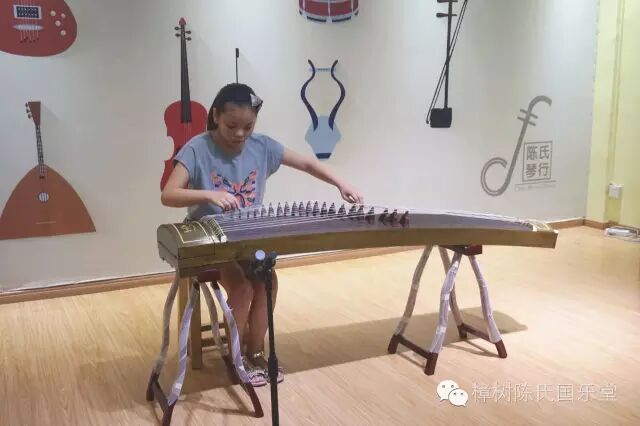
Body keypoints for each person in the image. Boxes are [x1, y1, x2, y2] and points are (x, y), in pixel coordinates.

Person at [160, 83, 363, 387]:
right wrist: (210, 194)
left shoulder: (262, 147)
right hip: (211, 239)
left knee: (267, 281)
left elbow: (307, 163)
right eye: (231, 126)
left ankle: (255, 351)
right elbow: (169, 194)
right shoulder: (197, 148)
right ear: (215, 116)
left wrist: (340, 183)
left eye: (248, 126)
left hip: (248, 237)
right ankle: (236, 357)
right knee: (242, 288)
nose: (240, 133)